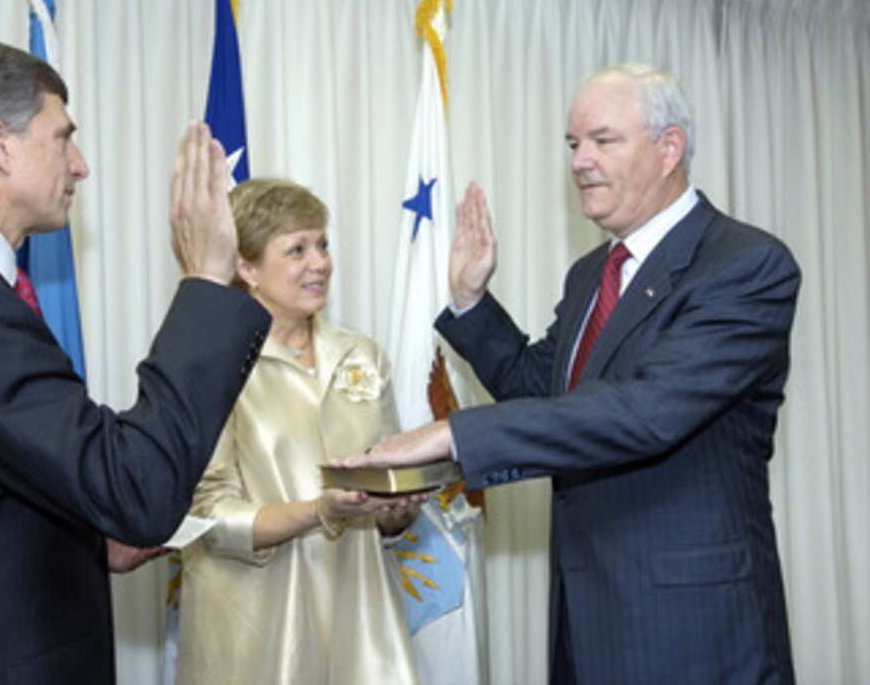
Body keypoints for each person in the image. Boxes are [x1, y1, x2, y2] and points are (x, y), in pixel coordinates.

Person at [342, 64, 800, 683]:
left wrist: (454, 435)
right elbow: (544, 391)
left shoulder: (744, 265)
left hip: (693, 627)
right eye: (572, 144)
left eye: (603, 141)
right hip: (587, 618)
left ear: (669, 149)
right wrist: (473, 304)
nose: (580, 160)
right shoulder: (592, 272)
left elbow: (646, 413)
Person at [0, 40, 271, 684]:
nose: (81, 165)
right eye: (62, 137)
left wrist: (93, 542)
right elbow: (138, 491)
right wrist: (207, 282)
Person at [174, 178, 422, 684]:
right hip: (258, 629)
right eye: (297, 249)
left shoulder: (364, 356)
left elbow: (390, 487)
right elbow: (205, 516)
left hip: (359, 615)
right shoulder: (211, 364)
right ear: (246, 268)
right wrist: (320, 510)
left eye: (323, 244)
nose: (321, 263)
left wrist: (397, 514)